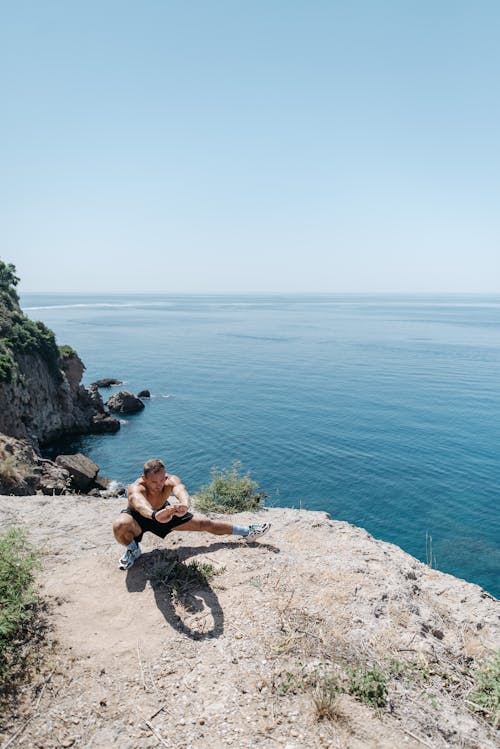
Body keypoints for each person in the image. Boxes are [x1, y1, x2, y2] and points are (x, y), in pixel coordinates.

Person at [113, 458, 271, 570]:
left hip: (165, 514)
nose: (159, 485)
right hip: (139, 518)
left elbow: (181, 492)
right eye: (154, 482)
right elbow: (140, 504)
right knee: (120, 524)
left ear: (165, 475)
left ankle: (248, 532)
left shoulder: (170, 480)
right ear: (144, 478)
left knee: (205, 523)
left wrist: (184, 505)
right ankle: (133, 549)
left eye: (162, 480)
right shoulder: (136, 487)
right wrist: (155, 515)